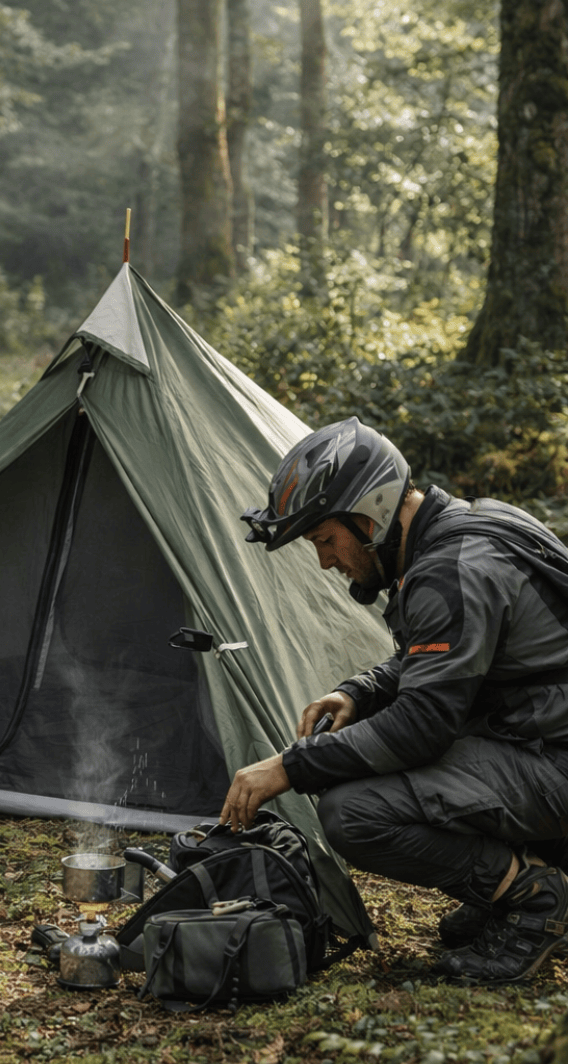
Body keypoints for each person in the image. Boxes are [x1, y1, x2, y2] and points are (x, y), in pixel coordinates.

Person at [224, 416, 568, 985]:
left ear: (369, 516)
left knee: (352, 811)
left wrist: (289, 766)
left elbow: (421, 726)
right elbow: (451, 658)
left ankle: (534, 897)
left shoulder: (449, 570)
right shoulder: (470, 521)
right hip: (540, 739)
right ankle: (520, 873)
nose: (327, 562)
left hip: (551, 759)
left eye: (326, 540)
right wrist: (358, 692)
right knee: (373, 755)